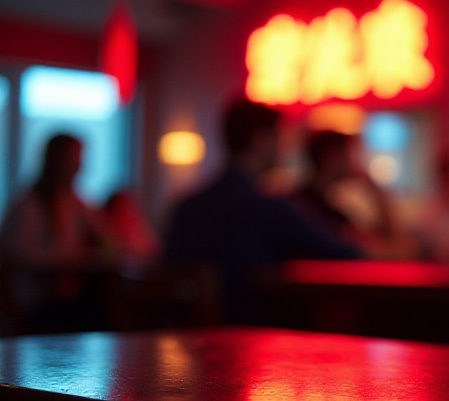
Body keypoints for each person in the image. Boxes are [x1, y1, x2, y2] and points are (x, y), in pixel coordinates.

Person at [163, 99, 360, 325]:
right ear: (261, 140)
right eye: (281, 138)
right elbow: (342, 252)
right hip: (250, 343)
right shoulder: (267, 206)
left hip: (183, 346)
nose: (284, 148)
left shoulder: (185, 207)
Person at [0, 134, 110, 331]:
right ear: (57, 160)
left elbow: (106, 234)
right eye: (76, 158)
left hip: (61, 297)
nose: (80, 166)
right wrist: (73, 257)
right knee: (101, 312)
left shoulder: (73, 200)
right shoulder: (27, 205)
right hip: (35, 304)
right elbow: (20, 257)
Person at [291, 130, 399, 258]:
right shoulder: (304, 206)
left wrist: (373, 188)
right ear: (331, 158)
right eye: (350, 154)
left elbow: (384, 236)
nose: (354, 163)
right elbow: (378, 243)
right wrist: (372, 187)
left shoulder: (326, 205)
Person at [101, 190, 160, 268]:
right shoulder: (114, 230)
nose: (132, 210)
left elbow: (154, 248)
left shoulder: (138, 224)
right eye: (127, 208)